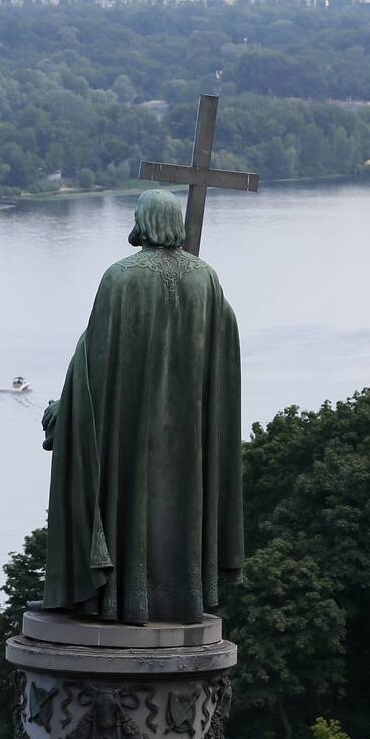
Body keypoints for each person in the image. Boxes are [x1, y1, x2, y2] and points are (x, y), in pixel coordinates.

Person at [41, 189, 243, 625]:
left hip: (127, 430)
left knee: (121, 495)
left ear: (145, 220)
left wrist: (66, 408)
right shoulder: (206, 279)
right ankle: (178, 598)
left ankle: (114, 598)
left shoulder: (120, 277)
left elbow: (94, 359)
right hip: (187, 436)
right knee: (178, 507)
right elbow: (224, 346)